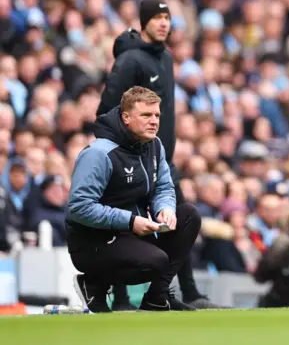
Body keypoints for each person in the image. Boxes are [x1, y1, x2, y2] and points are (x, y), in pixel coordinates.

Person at [97, 0, 215, 309]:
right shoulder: (130, 60)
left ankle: (176, 293)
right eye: (157, 17)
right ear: (143, 20)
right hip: (130, 159)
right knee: (124, 223)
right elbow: (106, 111)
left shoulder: (166, 58)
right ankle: (120, 297)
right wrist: (120, 154)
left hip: (161, 160)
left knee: (180, 218)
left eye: (167, 18)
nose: (164, 23)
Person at [66, 87, 201, 313]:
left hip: (135, 232)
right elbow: (79, 208)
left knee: (188, 215)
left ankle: (156, 298)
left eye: (157, 115)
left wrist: (164, 208)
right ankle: (94, 285)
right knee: (155, 261)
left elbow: (164, 187)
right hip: (93, 242)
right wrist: (131, 221)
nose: (154, 121)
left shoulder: (154, 145)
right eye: (146, 115)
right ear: (126, 117)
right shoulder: (99, 153)